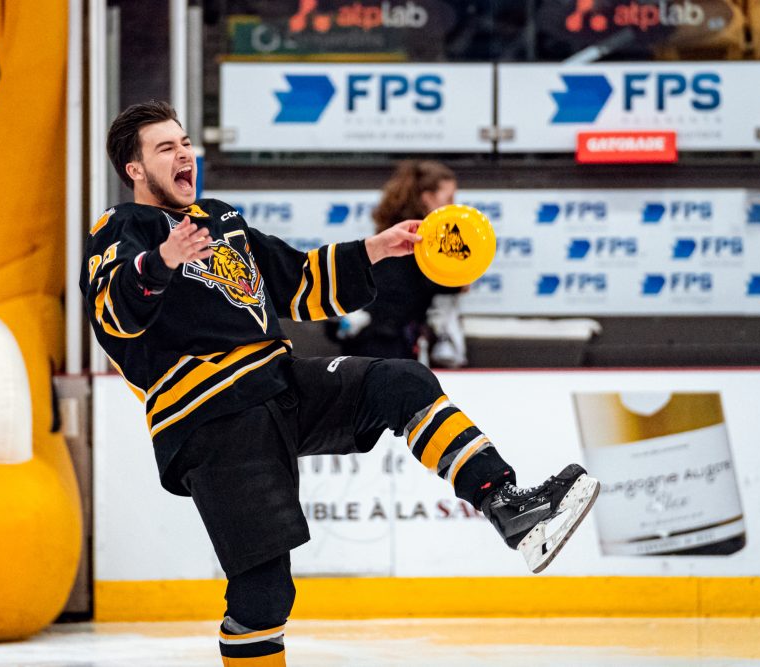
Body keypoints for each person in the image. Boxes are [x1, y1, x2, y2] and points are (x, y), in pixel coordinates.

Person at [82, 101, 599, 667]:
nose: (184, 154)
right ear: (135, 169)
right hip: (210, 415)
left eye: (185, 142)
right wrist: (161, 260)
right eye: (166, 148)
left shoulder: (221, 220)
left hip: (277, 381)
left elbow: (297, 281)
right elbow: (113, 315)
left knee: (400, 381)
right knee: (264, 595)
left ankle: (506, 505)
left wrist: (377, 250)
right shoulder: (120, 226)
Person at [329, 160, 468, 367]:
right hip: (388, 345)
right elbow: (448, 284)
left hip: (361, 340)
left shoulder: (392, 234)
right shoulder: (422, 241)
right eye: (449, 199)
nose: (453, 206)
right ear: (428, 199)